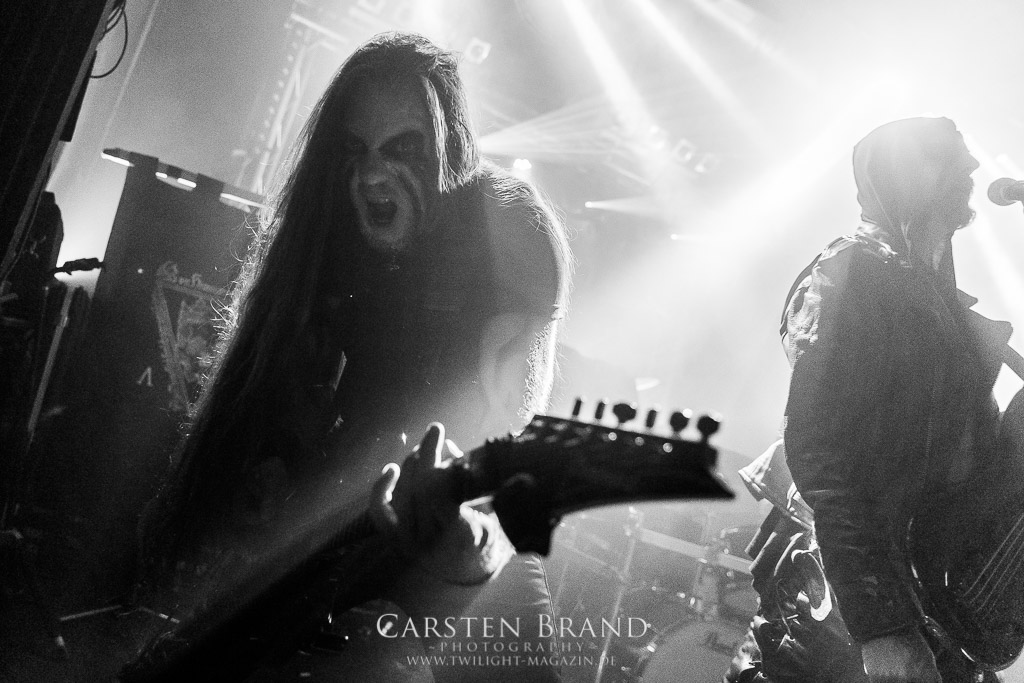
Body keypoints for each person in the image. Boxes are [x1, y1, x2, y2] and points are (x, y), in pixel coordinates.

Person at [128, 31, 571, 682]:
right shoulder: (335, 248)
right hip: (347, 533)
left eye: (402, 149)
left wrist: (461, 527)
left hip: (465, 535)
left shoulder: (503, 226)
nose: (372, 175)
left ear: (446, 149)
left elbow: (516, 411)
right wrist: (273, 472)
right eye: (356, 150)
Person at [727, 116, 1020, 682]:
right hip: (839, 616)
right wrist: (881, 626)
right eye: (948, 157)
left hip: (928, 606)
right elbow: (820, 452)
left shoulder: (936, 300)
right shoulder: (850, 276)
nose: (972, 167)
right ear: (904, 176)